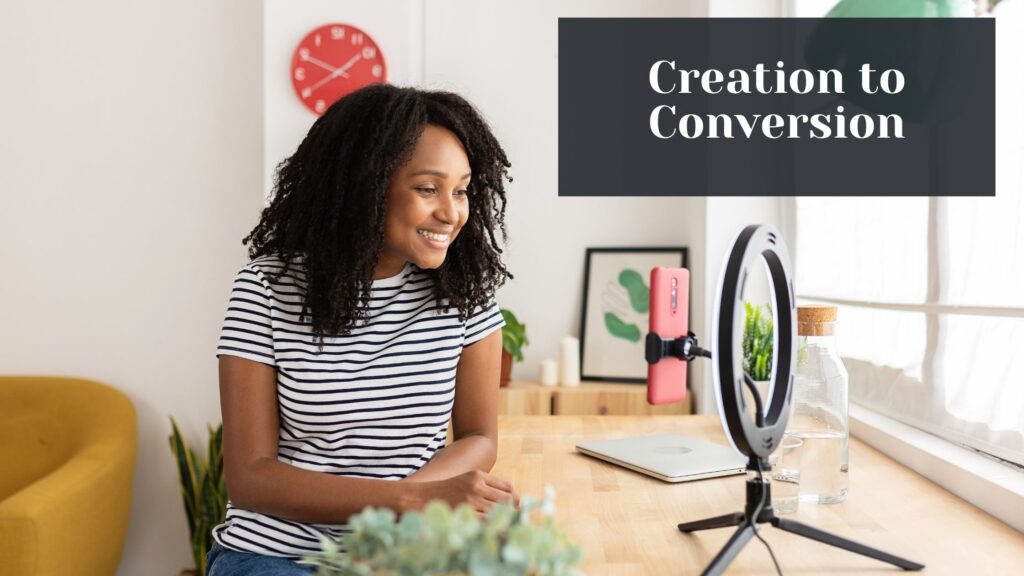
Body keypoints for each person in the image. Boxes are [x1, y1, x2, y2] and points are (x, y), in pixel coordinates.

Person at [206, 84, 517, 576]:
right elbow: (250, 477)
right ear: (366, 185)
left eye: (461, 190)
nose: (451, 212)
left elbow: (479, 436)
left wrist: (408, 516)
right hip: (278, 554)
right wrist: (409, 500)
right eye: (427, 188)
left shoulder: (463, 291)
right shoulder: (267, 287)